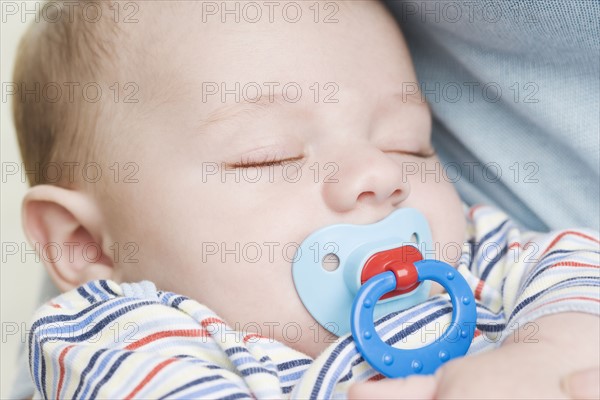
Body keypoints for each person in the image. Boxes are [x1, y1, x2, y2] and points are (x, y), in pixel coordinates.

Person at [12, 1, 599, 398]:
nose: (378, 173)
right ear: (84, 243)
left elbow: (579, 263)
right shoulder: (121, 339)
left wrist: (549, 350)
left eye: (410, 144)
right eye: (270, 154)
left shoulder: (477, 258)